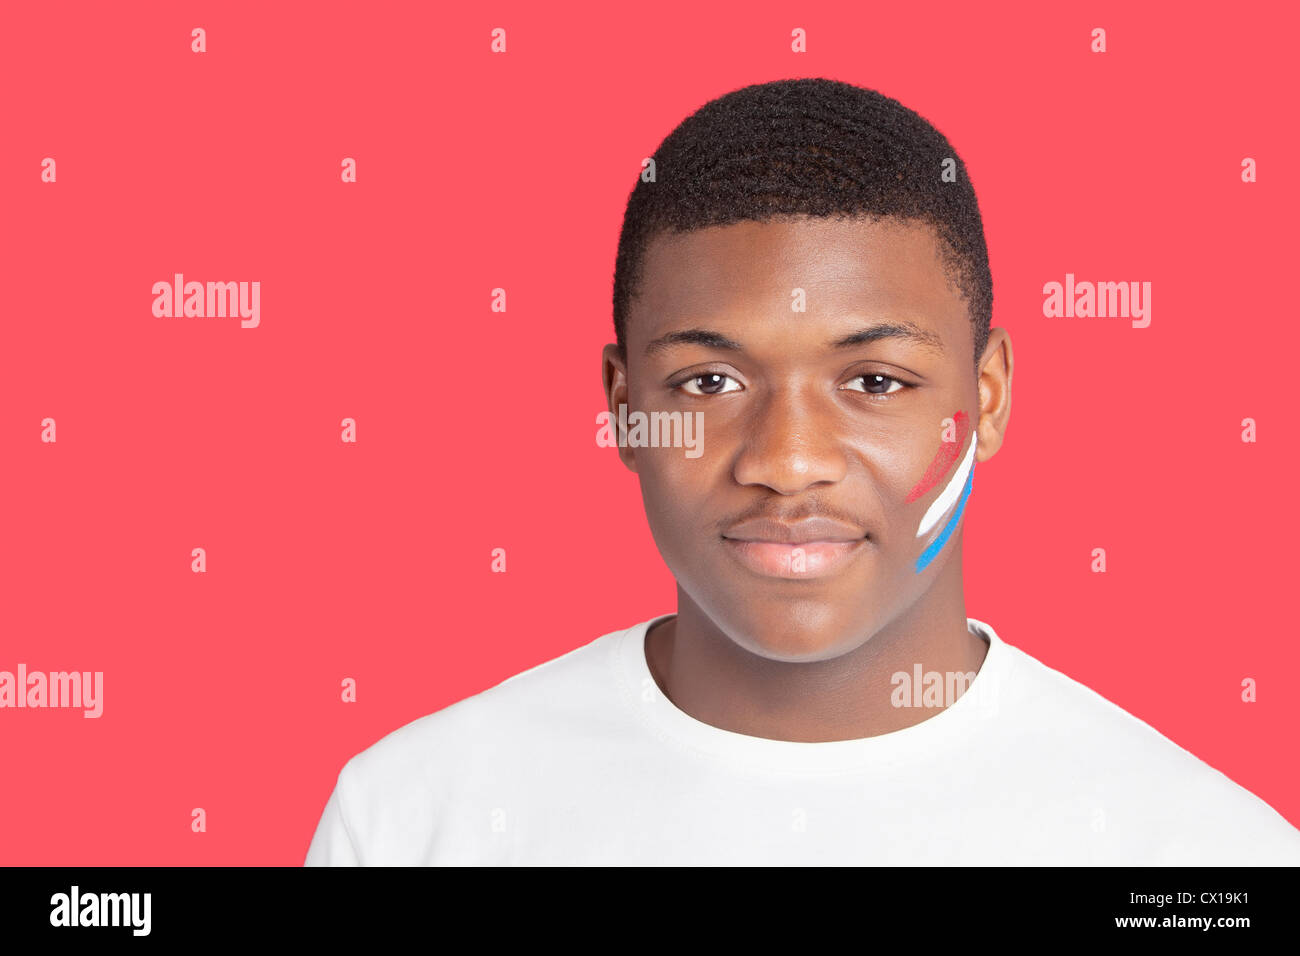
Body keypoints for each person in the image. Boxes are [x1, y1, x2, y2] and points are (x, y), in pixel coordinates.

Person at [304, 77, 1300, 865]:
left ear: (985, 398)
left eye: (873, 378)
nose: (785, 461)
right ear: (622, 407)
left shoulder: (1202, 857)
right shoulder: (411, 818)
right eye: (707, 379)